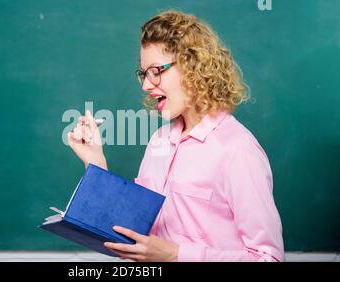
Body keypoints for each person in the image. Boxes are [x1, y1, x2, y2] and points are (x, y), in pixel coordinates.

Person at [66, 10, 284, 262]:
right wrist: (95, 161)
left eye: (156, 71)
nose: (146, 85)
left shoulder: (237, 150)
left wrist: (176, 256)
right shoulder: (159, 141)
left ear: (194, 66)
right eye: (144, 73)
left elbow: (269, 258)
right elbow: (133, 235)